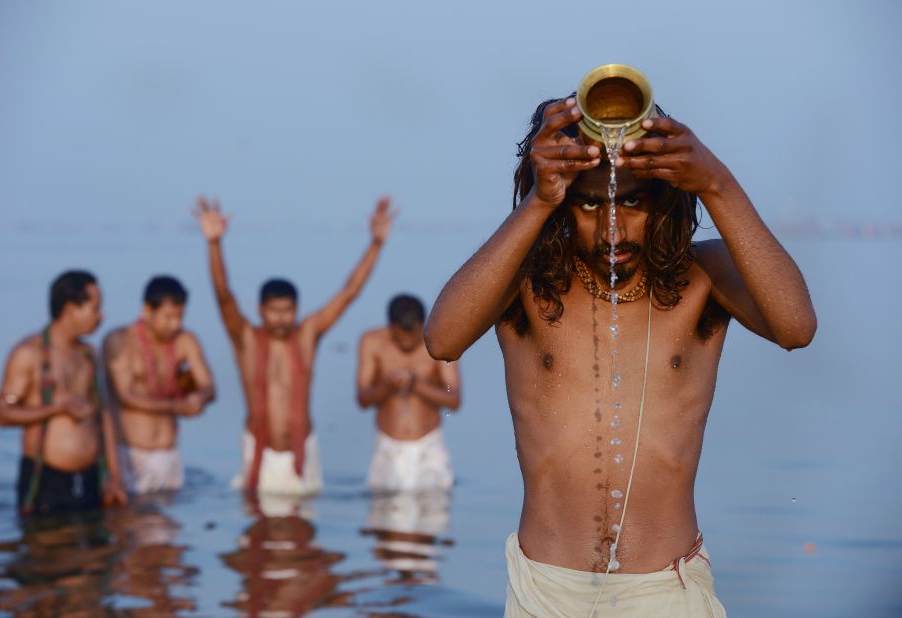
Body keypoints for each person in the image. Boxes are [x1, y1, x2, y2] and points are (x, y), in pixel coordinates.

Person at [424, 96, 817, 616]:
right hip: (546, 591)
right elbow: (442, 339)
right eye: (589, 205)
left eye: (633, 203)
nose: (613, 231)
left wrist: (716, 182)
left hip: (665, 589)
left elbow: (796, 327)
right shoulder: (527, 284)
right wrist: (538, 201)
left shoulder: (703, 278)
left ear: (666, 198)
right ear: (565, 202)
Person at [194, 195, 395, 495]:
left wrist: (376, 244)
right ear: (260, 310)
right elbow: (224, 297)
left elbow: (347, 293)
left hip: (304, 450)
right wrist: (214, 244)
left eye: (287, 311)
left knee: (305, 534)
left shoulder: (306, 335)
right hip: (260, 452)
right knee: (255, 533)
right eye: (274, 311)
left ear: (296, 310)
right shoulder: (246, 338)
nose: (281, 318)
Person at [0, 270, 127, 516]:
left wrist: (115, 477)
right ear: (70, 310)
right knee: (46, 549)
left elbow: (106, 417)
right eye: (95, 308)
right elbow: (4, 413)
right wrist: (56, 408)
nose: (102, 316)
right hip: (46, 480)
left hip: (91, 479)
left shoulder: (90, 355)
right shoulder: (29, 354)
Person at [104, 275, 215, 494]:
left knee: (168, 525)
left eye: (180, 316)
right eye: (168, 316)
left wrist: (197, 398)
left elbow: (209, 386)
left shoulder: (185, 341)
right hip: (130, 453)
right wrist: (176, 407)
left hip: (169, 456)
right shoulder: (120, 340)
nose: (176, 324)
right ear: (147, 311)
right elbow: (125, 395)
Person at [356, 294, 460, 492]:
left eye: (412, 336)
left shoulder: (441, 342)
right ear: (391, 327)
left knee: (435, 518)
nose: (407, 344)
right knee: (381, 519)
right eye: (401, 337)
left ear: (422, 325)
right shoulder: (372, 343)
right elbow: (363, 398)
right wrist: (388, 385)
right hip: (387, 447)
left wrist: (416, 385)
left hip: (429, 447)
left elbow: (453, 398)